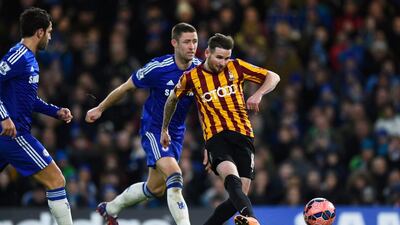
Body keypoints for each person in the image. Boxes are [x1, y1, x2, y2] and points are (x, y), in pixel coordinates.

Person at [85, 22, 200, 225]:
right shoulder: (158, 68)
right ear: (174, 43)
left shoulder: (201, 71)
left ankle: (110, 208)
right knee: (175, 175)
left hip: (177, 134)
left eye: (195, 41)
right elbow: (126, 87)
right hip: (154, 130)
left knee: (155, 188)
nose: (192, 46)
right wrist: (100, 108)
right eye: (187, 42)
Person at [161, 33, 280, 225]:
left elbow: (273, 77)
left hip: (243, 135)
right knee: (231, 179)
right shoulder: (192, 77)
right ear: (207, 53)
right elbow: (172, 100)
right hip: (217, 138)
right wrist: (164, 128)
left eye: (226, 58)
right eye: (219, 57)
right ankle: (252, 220)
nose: (223, 62)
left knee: (239, 196)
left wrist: (258, 94)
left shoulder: (237, 66)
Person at [0, 7, 74, 225]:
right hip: (14, 134)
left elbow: (28, 100)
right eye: (50, 32)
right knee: (56, 179)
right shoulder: (18, 55)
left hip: (8, 134)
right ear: (39, 32)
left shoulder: (30, 60)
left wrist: (55, 111)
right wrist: (3, 116)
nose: (50, 37)